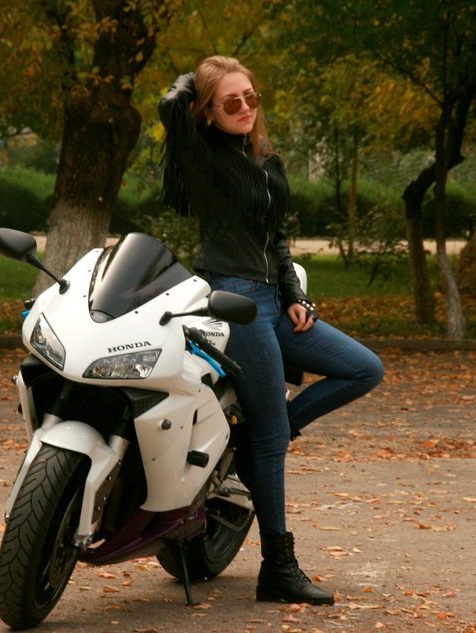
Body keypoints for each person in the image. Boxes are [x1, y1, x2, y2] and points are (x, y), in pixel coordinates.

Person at [158, 56, 384, 606]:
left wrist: (295, 296)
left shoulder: (266, 160)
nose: (244, 108)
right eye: (230, 101)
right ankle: (277, 568)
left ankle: (263, 437)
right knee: (272, 441)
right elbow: (170, 106)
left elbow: (277, 238)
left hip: (272, 299)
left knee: (363, 368)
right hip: (230, 298)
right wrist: (202, 80)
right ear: (207, 112)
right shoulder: (202, 155)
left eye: (250, 98)